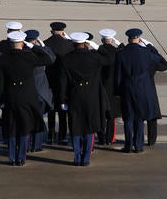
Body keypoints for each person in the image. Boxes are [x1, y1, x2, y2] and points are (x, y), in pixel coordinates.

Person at [0, 31, 49, 166]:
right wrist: (34, 47)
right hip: (27, 97)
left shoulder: (3, 59)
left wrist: (0, 100)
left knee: (12, 128)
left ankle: (12, 157)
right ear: (22, 43)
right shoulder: (29, 56)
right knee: (25, 127)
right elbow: (48, 59)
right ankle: (21, 158)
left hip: (11, 97)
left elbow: (0, 83)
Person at [59, 32, 111, 166]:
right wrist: (100, 48)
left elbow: (63, 82)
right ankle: (86, 158)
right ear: (85, 43)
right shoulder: (94, 57)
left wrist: (63, 100)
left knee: (75, 127)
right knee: (89, 126)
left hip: (74, 95)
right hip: (91, 96)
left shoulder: (66, 59)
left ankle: (77, 157)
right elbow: (110, 59)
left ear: (73, 43)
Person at [115, 28, 167, 153]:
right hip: (142, 89)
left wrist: (118, 91)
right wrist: (150, 46)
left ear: (128, 39)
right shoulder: (146, 52)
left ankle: (128, 145)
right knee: (139, 117)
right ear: (139, 39)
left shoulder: (121, 54)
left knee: (128, 118)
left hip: (127, 88)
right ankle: (138, 145)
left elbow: (118, 75)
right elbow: (163, 63)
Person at [43, 21, 74, 145]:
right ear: (62, 31)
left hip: (49, 80)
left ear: (52, 31)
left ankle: (50, 135)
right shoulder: (68, 44)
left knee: (51, 109)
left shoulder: (46, 43)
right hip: (63, 81)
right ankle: (62, 136)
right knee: (62, 110)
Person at [24, 29, 55, 153]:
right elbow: (51, 58)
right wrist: (43, 47)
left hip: (27, 91)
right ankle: (36, 145)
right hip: (40, 91)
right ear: (36, 40)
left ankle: (25, 145)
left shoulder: (24, 53)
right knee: (38, 119)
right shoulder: (40, 53)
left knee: (27, 119)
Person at [96, 29, 122, 146]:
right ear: (111, 40)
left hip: (99, 86)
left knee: (100, 114)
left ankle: (101, 138)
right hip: (112, 87)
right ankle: (110, 138)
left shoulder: (97, 52)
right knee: (111, 116)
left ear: (102, 40)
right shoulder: (117, 52)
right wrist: (120, 44)